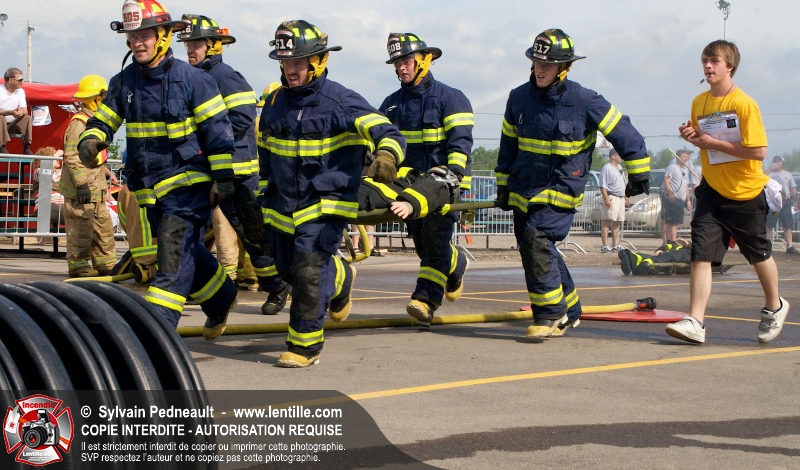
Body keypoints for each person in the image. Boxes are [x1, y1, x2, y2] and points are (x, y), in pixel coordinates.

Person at [78, 0, 238, 340]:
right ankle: (223, 295)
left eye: (144, 36)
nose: (137, 43)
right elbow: (103, 120)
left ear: (163, 36)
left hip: (189, 186)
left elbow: (218, 133)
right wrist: (91, 140)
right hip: (150, 191)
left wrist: (224, 178)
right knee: (186, 253)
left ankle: (155, 337)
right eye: (132, 37)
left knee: (172, 257)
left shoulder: (193, 80)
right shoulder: (124, 82)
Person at [258, 19, 405, 367]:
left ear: (318, 61)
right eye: (286, 62)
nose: (291, 70)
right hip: (283, 206)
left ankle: (304, 346)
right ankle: (340, 276)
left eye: (298, 62)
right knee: (288, 270)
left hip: (326, 204)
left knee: (309, 270)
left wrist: (386, 156)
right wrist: (263, 196)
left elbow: (388, 132)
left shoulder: (340, 100)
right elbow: (265, 153)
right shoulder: (275, 102)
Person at [495, 28, 650, 338]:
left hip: (562, 186)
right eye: (537, 63)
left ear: (564, 67)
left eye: (548, 65)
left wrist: (639, 175)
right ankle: (570, 309)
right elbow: (508, 145)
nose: (540, 69)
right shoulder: (518, 98)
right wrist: (503, 184)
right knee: (536, 248)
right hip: (525, 189)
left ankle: (550, 313)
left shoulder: (585, 100)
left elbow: (624, 132)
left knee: (537, 238)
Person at [666, 39, 789, 344]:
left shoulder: (744, 104)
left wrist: (712, 143)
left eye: (714, 61)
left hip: (745, 192)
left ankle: (775, 306)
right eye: (704, 61)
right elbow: (703, 139)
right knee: (701, 255)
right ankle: (695, 321)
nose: (707, 66)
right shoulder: (699, 102)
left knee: (758, 255)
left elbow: (758, 151)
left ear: (730, 66)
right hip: (711, 191)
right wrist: (692, 135)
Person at [178, 14, 292, 314]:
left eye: (196, 43)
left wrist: (206, 136)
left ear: (214, 45)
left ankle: (277, 285)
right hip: (203, 172)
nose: (190, 49)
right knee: (188, 231)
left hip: (235, 173)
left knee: (251, 234)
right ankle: (201, 287)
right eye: (187, 44)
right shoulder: (190, 78)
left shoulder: (226, 76)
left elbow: (242, 118)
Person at [378, 33, 473, 325]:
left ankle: (425, 300)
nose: (401, 67)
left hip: (442, 186)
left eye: (406, 60)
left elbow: (460, 145)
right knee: (423, 244)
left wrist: (452, 181)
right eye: (397, 62)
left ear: (424, 60)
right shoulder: (391, 105)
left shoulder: (451, 98)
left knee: (433, 240)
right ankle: (455, 261)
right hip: (408, 190)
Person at [60, 75, 116, 277]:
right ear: (98, 98)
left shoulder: (94, 123)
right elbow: (72, 156)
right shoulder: (80, 123)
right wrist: (81, 184)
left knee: (103, 229)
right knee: (81, 230)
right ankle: (79, 267)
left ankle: (106, 265)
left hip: (96, 188)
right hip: (81, 190)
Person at [766, 155, 798, 254]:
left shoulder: (787, 174)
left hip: (785, 202)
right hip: (773, 203)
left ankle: (790, 246)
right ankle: (768, 246)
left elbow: (793, 188)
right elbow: (761, 179)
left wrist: (796, 201)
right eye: (775, 161)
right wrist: (769, 169)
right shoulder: (769, 174)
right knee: (770, 225)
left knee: (787, 225)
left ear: (782, 163)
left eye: (779, 161)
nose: (777, 163)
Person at [598, 148, 627, 252]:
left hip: (621, 197)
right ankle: (605, 245)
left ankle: (615, 244)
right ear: (613, 156)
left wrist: (626, 195)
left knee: (617, 221)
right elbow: (602, 185)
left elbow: (623, 182)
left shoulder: (620, 168)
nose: (621, 157)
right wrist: (606, 198)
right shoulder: (606, 168)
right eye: (619, 155)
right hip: (612, 197)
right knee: (607, 220)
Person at [662, 149, 693, 244]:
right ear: (678, 157)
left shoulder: (685, 170)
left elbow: (686, 186)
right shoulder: (672, 167)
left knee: (676, 221)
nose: (686, 159)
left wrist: (688, 201)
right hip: (673, 197)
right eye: (684, 157)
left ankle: (672, 240)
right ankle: (670, 241)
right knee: (671, 221)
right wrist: (670, 193)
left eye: (687, 157)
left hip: (681, 198)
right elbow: (667, 180)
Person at [0, 67, 33, 154]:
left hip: (12, 124)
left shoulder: (20, 92)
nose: (22, 82)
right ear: (11, 80)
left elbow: (25, 111)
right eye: (20, 80)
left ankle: (27, 147)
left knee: (27, 118)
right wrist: (11, 112)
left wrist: (20, 112)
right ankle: (1, 147)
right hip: (1, 124)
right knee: (0, 117)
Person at [618, 240, 690, 276]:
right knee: (658, 257)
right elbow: (671, 245)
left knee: (673, 254)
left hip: (688, 259)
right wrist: (661, 249)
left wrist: (688, 245)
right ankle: (632, 258)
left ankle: (648, 266)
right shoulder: (684, 246)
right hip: (667, 257)